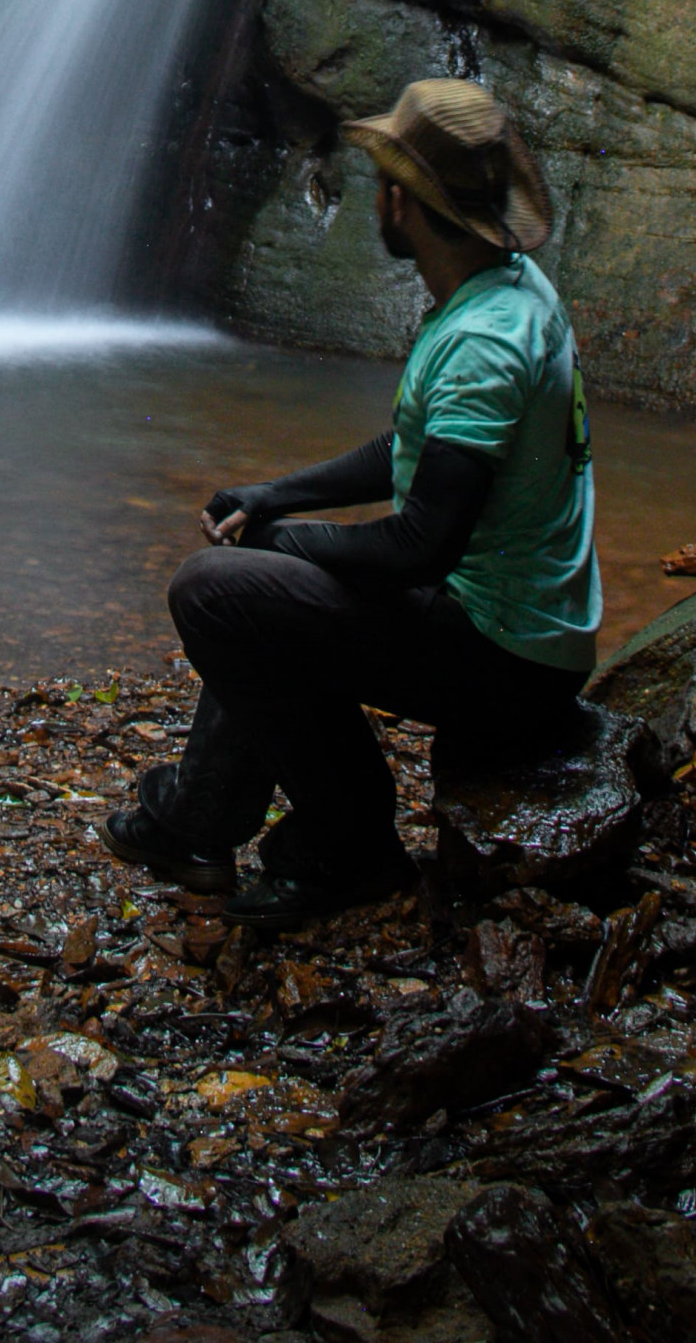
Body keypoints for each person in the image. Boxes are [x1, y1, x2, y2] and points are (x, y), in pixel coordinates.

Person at [103, 77, 601, 929]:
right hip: (526, 628)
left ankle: (348, 844)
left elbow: (421, 547)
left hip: (505, 656)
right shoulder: (505, 290)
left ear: (400, 201)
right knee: (256, 579)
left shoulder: (484, 342)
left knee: (212, 590)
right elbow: (419, 456)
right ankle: (197, 823)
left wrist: (288, 543)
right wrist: (276, 497)